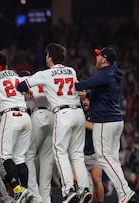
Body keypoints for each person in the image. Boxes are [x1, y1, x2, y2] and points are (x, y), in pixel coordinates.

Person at [17, 43, 91, 203]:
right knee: (77, 155)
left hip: (62, 113)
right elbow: (78, 89)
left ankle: (68, 190)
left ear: (50, 57)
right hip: (78, 112)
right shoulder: (71, 71)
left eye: (46, 55)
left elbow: (20, 85)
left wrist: (28, 87)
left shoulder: (45, 74)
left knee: (60, 152)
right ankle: (84, 189)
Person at [75, 47, 136, 203]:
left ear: (104, 59)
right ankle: (124, 194)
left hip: (105, 121)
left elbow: (83, 84)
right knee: (113, 160)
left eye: (99, 55)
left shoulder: (105, 72)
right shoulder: (112, 73)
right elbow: (102, 93)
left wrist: (70, 83)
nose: (96, 58)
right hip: (116, 120)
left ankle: (125, 192)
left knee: (102, 158)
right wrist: (88, 95)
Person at [0, 51, 32, 202]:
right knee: (20, 158)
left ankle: (17, 189)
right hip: (25, 116)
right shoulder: (15, 75)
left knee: (4, 155)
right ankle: (25, 191)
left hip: (10, 116)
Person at [24, 70, 55, 203]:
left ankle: (35, 196)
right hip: (52, 115)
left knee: (28, 155)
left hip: (38, 115)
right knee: (47, 159)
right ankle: (46, 198)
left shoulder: (27, 82)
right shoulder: (47, 81)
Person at [81, 94, 104, 203]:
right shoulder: (77, 113)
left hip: (94, 154)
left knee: (97, 180)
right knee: (85, 184)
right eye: (83, 100)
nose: (85, 102)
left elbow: (97, 128)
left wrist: (84, 123)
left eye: (87, 100)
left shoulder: (97, 114)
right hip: (80, 156)